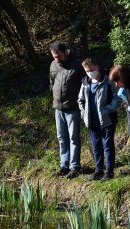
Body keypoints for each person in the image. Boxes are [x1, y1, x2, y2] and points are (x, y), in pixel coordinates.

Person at [78, 57, 120, 181]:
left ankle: (109, 171)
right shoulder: (85, 83)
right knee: (96, 146)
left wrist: (107, 109)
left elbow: (117, 98)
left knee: (107, 145)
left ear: (97, 67)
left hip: (108, 120)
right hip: (92, 121)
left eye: (91, 69)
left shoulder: (108, 81)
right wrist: (84, 114)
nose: (89, 72)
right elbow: (80, 100)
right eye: (86, 71)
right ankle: (98, 170)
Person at [49, 41, 84, 179]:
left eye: (58, 56)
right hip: (58, 108)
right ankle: (64, 165)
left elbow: (85, 85)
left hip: (73, 108)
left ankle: (74, 166)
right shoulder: (53, 65)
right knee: (61, 138)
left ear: (66, 52)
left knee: (73, 137)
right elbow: (51, 82)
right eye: (54, 56)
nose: (56, 59)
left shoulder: (77, 64)